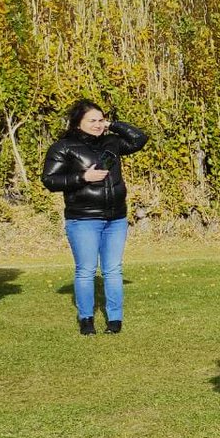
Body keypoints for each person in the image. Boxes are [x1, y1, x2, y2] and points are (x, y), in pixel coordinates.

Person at [41, 100, 147, 335]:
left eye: (101, 120)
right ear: (78, 123)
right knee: (86, 270)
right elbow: (49, 181)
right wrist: (83, 177)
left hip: (116, 218)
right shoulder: (63, 147)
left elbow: (139, 139)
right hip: (83, 219)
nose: (98, 125)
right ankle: (86, 319)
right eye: (93, 120)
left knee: (113, 270)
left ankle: (115, 319)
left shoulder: (112, 142)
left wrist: (112, 124)